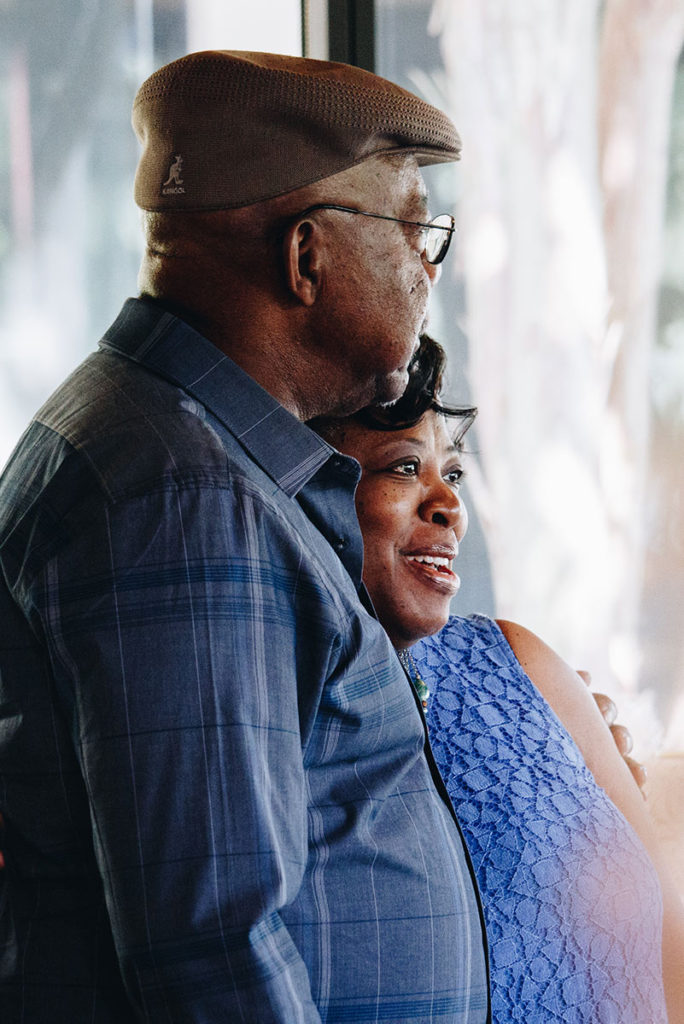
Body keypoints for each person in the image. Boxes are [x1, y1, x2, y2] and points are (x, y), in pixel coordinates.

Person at [0, 53, 491, 1022]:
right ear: (306, 256)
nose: (428, 269)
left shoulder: (176, 450)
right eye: (412, 228)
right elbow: (214, 954)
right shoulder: (181, 496)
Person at [313, 335, 684, 1024]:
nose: (447, 506)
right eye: (404, 467)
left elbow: (672, 938)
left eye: (450, 474)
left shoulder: (520, 662)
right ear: (315, 494)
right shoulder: (298, 708)